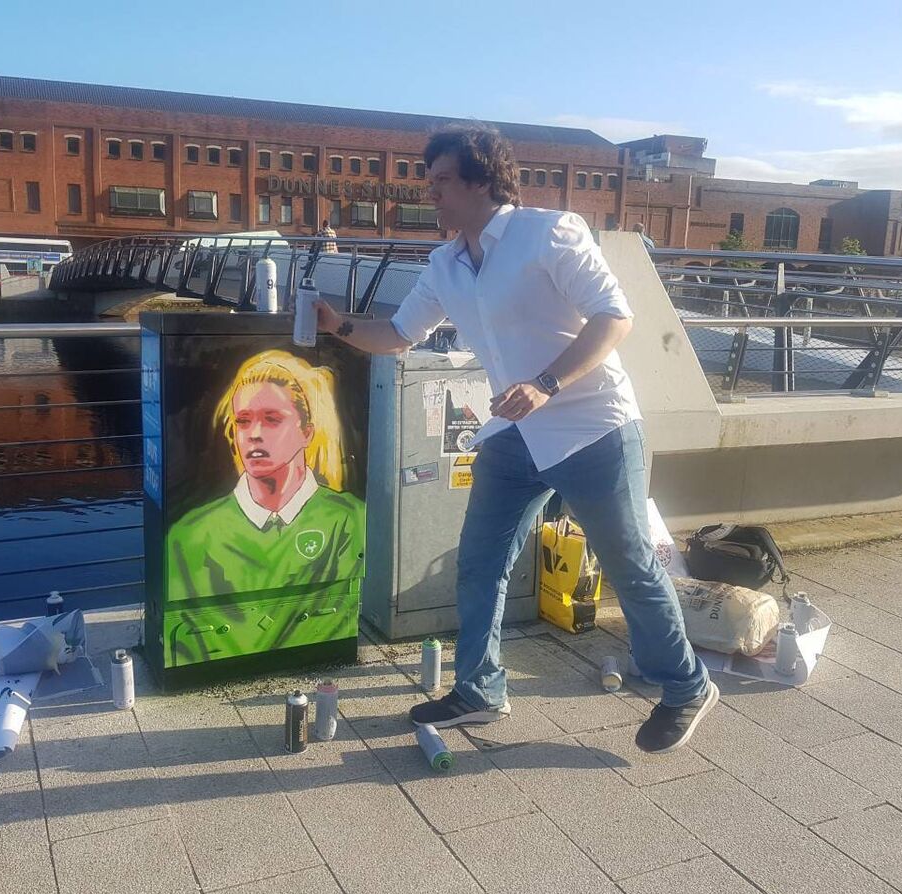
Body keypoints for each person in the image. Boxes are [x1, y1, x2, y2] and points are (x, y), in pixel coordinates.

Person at [314, 124, 715, 754]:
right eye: (430, 183)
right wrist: (338, 326)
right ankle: (480, 688)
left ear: (480, 180)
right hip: (514, 434)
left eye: (442, 181)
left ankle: (685, 684)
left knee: (628, 562)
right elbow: (396, 333)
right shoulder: (445, 264)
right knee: (479, 563)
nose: (432, 195)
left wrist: (546, 383)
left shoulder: (548, 232)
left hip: (592, 424)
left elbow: (616, 316)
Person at [166, 349, 365, 601]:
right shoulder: (190, 535)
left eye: (271, 419)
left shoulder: (348, 519)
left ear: (307, 433)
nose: (254, 434)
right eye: (243, 421)